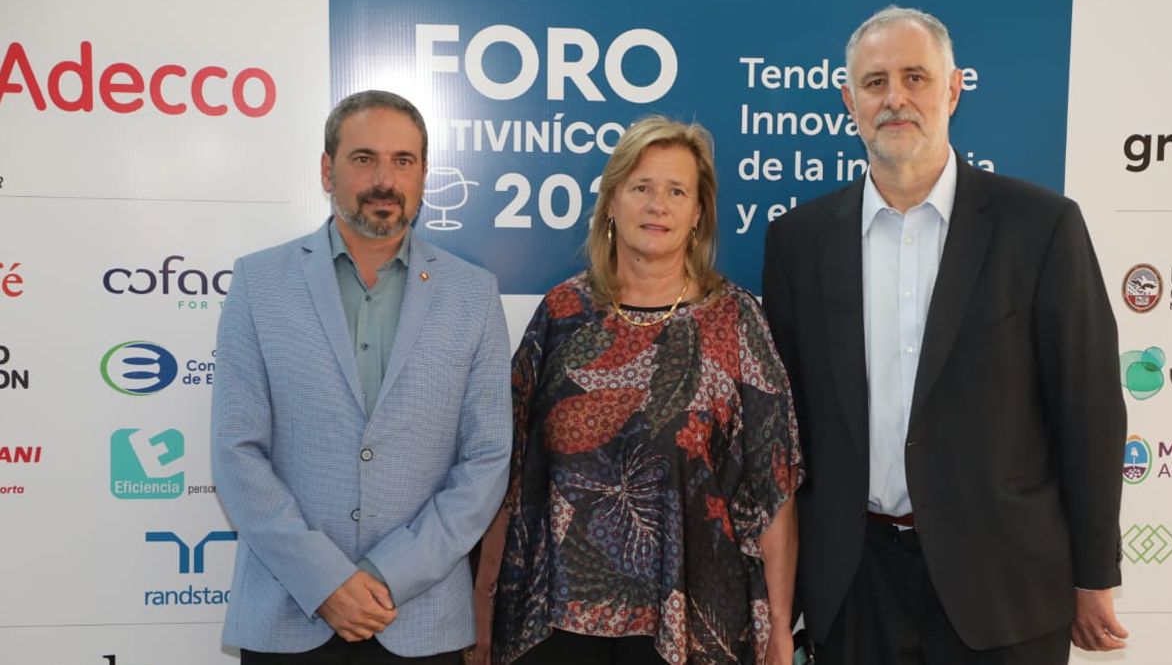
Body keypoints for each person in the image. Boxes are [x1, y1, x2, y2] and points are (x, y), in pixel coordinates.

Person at [761, 6, 1128, 665]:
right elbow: (785, 430)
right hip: (852, 584)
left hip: (1005, 585)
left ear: (954, 89)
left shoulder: (1041, 227)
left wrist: (1093, 572)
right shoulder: (797, 242)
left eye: (915, 77)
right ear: (849, 100)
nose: (895, 98)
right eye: (874, 82)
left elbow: (1090, 410)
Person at [471, 116, 804, 665]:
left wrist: (780, 634)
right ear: (611, 204)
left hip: (695, 627)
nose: (658, 205)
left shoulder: (736, 321)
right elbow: (509, 478)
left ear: (698, 214)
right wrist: (483, 607)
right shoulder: (561, 315)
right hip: (554, 626)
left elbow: (775, 490)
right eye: (641, 187)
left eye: (677, 191)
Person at [211, 90, 512, 664]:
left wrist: (385, 575)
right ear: (328, 170)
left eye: (403, 161)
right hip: (288, 612)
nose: (384, 179)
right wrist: (326, 581)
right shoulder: (259, 282)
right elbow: (236, 450)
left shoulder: (473, 294)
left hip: (418, 619)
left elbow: (487, 458)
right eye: (363, 158)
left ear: (424, 175)